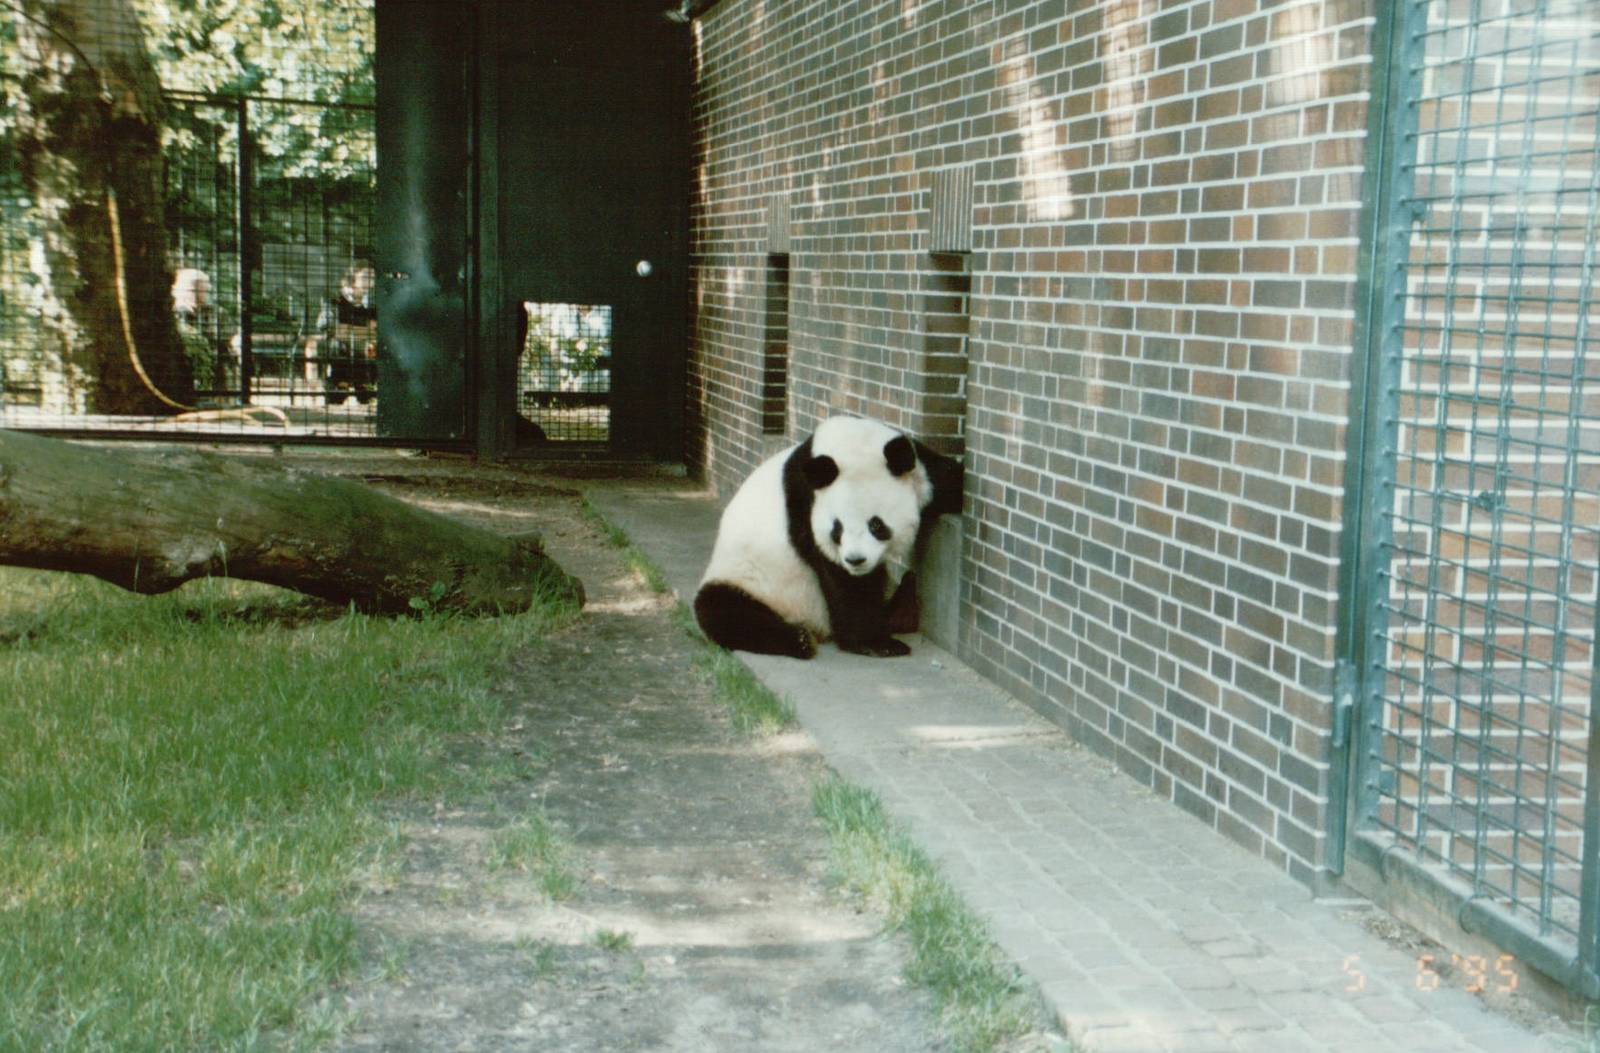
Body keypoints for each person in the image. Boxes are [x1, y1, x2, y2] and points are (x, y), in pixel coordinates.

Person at [306, 262, 377, 404]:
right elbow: (326, 326)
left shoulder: (372, 304)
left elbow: (378, 330)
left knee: (367, 395)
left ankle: (364, 389)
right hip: (341, 354)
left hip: (365, 355)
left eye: (372, 278)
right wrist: (365, 330)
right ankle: (340, 387)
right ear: (352, 280)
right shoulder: (335, 300)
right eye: (365, 277)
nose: (370, 282)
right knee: (336, 396)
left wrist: (348, 329)